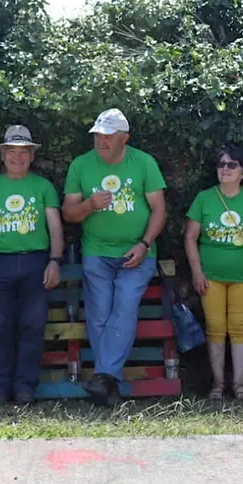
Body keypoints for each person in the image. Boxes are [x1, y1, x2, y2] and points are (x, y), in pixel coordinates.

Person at [62, 108, 167, 406]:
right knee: (98, 314)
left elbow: (160, 209)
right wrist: (90, 205)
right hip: (96, 250)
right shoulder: (81, 165)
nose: (101, 141)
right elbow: (69, 213)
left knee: (124, 304)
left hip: (137, 251)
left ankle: (104, 378)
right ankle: (108, 382)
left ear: (125, 138)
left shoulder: (144, 163)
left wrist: (145, 244)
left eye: (108, 136)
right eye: (97, 135)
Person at [0, 125, 65, 405]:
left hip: (35, 261)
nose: (17, 158)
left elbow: (55, 227)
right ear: (3, 155)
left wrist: (55, 261)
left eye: (23, 152)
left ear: (32, 156)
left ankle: (24, 388)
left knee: (32, 326)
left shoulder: (43, 187)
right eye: (12, 152)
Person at [184, 144, 243, 401]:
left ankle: (240, 383)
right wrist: (197, 271)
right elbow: (190, 237)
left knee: (240, 327)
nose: (225, 169)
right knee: (215, 327)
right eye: (221, 164)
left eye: (232, 165)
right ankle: (218, 385)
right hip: (210, 276)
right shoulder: (204, 198)